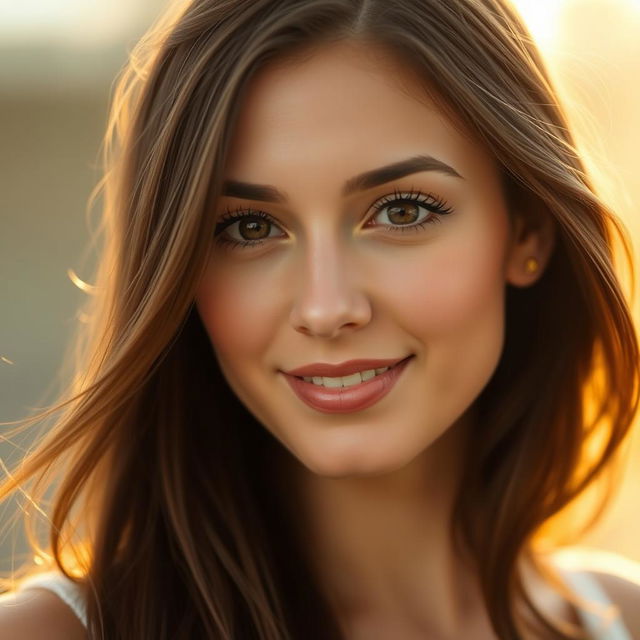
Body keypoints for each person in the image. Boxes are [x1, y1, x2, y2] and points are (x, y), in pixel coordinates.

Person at [1, 0, 639, 638]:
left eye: (402, 212)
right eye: (249, 228)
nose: (327, 308)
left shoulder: (620, 617)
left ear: (527, 229)